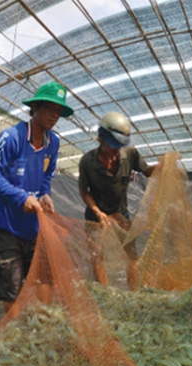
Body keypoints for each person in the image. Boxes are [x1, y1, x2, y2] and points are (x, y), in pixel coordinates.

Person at [0, 81, 74, 313]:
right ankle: (15, 337)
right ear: (35, 108)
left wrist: (45, 195)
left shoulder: (53, 143)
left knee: (45, 279)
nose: (55, 116)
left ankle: (44, 326)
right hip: (6, 226)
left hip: (34, 227)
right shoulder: (12, 137)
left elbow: (45, 178)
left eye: (59, 112)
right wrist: (20, 197)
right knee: (11, 289)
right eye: (50, 109)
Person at [78, 112, 154, 289]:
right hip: (95, 216)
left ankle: (135, 294)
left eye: (119, 146)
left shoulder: (130, 154)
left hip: (121, 214)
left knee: (132, 255)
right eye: (113, 146)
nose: (116, 151)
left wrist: (164, 165)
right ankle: (107, 296)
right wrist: (98, 212)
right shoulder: (87, 162)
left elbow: (147, 171)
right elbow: (84, 192)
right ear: (101, 139)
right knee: (97, 256)